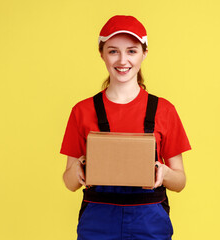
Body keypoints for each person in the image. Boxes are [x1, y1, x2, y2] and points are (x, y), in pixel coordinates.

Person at [60, 15, 191, 240]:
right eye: (113, 51)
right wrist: (80, 169)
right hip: (97, 225)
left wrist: (164, 172)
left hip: (149, 225)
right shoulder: (82, 110)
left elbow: (180, 182)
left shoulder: (164, 110)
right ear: (102, 54)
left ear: (144, 53)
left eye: (131, 51)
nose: (123, 60)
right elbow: (68, 182)